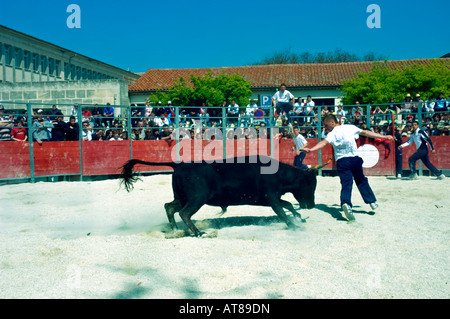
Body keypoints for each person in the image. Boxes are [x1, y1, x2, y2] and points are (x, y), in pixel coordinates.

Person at [302, 114, 394, 221]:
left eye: (326, 125)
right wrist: (384, 137)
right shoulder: (350, 127)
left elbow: (323, 143)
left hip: (342, 161)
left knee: (346, 183)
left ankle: (346, 203)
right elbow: (366, 133)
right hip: (355, 159)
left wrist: (311, 149)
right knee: (361, 180)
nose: (325, 128)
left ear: (332, 122)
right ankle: (371, 201)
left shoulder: (332, 134)